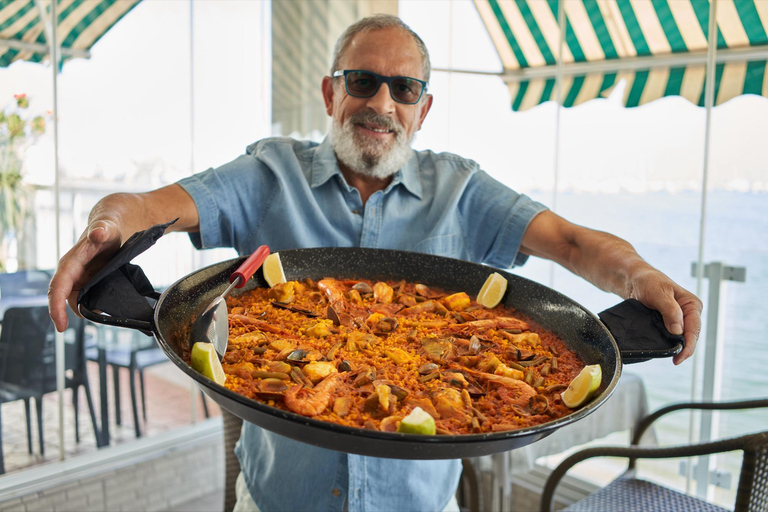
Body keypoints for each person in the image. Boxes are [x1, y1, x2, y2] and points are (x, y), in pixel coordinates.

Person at [48, 14, 702, 512]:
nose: (381, 104)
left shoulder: (463, 190)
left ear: (423, 108)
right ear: (332, 93)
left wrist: (642, 278)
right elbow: (147, 205)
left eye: (404, 88)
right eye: (362, 82)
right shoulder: (268, 172)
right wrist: (107, 228)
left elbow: (575, 243)